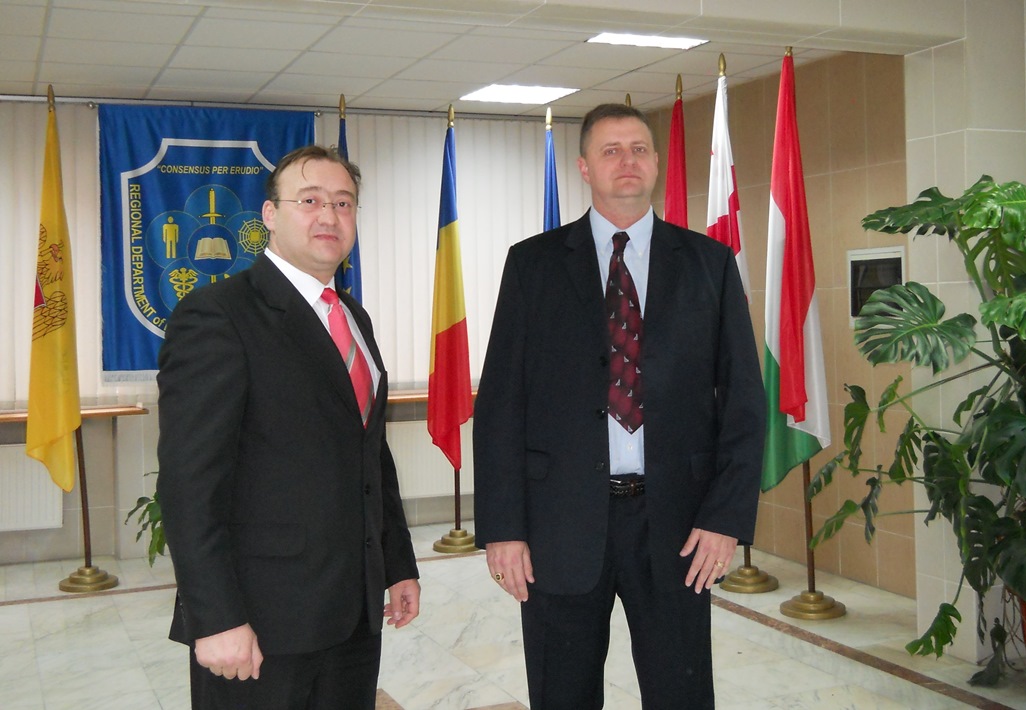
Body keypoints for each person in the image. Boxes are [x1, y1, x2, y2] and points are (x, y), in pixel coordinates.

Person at [473, 104, 766, 709]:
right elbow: (501, 404)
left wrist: (726, 517)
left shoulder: (709, 264)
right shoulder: (532, 265)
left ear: (656, 162)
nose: (626, 160)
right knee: (562, 694)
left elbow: (743, 402)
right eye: (610, 150)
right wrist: (504, 528)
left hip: (678, 527)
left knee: (681, 694)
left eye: (638, 149)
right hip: (559, 526)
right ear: (584, 167)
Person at [156, 145, 420, 710]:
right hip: (260, 623)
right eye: (310, 200)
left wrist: (397, 565)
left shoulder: (352, 315)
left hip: (352, 612)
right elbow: (189, 482)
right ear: (270, 215)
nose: (329, 216)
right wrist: (216, 617)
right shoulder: (218, 315)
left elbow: (370, 454)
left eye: (343, 203)